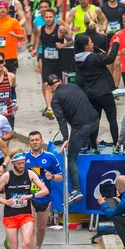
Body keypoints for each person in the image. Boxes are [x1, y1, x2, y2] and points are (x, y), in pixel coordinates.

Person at [49, 74, 99, 204]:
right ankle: (89, 145)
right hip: (95, 121)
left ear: (49, 87)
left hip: (82, 127)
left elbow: (62, 121)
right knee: (82, 134)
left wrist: (66, 138)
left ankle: (76, 190)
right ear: (60, 81)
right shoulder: (73, 85)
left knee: (71, 158)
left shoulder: (55, 99)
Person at [0, 149, 49, 249]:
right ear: (13, 163)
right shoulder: (7, 176)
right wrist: (5, 201)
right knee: (13, 248)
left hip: (26, 214)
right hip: (11, 214)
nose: (22, 166)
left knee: (26, 243)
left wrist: (30, 196)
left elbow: (45, 190)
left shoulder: (30, 174)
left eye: (23, 163)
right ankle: (9, 238)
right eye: (19, 163)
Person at [74, 33, 120, 146]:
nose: (93, 43)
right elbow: (110, 58)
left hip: (91, 94)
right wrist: (115, 44)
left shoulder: (78, 59)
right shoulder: (93, 58)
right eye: (90, 42)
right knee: (112, 119)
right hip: (104, 92)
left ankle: (93, 147)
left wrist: (95, 49)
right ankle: (116, 144)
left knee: (95, 121)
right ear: (85, 46)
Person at [24, 131, 63, 249]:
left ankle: (38, 247)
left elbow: (60, 177)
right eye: (32, 140)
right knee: (31, 227)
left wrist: (51, 176)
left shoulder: (50, 156)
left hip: (44, 196)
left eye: (37, 140)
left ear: (41, 141)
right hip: (29, 196)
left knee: (41, 227)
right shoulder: (24, 157)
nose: (34, 142)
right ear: (29, 142)